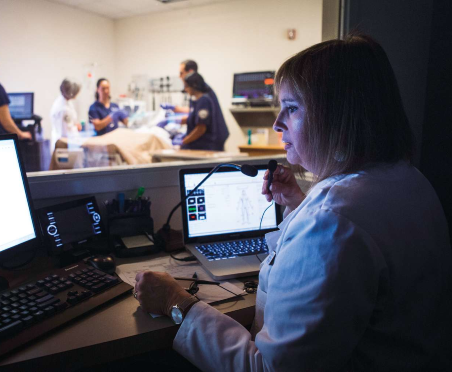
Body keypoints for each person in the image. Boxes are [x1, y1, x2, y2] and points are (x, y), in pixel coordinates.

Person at [134, 34, 452, 371]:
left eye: (292, 107)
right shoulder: (409, 180)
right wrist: (298, 203)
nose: (277, 123)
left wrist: (177, 302)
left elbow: (269, 369)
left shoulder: (332, 222)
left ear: (338, 114)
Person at [162, 60, 228, 146]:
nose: (179, 76)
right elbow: (195, 113)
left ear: (190, 72)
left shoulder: (204, 96)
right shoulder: (198, 96)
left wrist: (184, 141)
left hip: (212, 140)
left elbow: (201, 125)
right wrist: (175, 112)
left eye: (181, 73)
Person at [179, 72, 229, 151]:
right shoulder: (195, 101)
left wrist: (183, 141)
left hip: (205, 146)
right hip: (197, 145)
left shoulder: (204, 101)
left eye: (186, 86)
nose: (185, 89)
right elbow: (194, 118)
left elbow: (201, 128)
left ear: (194, 85)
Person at [50, 78, 82, 154]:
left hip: (68, 142)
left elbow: (71, 120)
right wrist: (76, 127)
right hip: (64, 145)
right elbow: (64, 132)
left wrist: (75, 123)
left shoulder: (66, 101)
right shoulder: (63, 108)